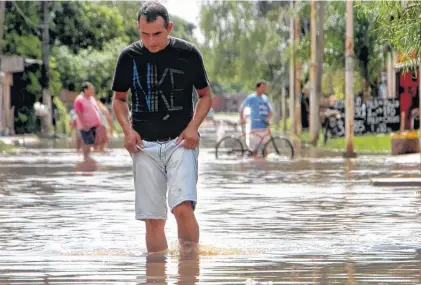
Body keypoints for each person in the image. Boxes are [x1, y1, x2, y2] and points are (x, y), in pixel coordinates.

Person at [111, 1, 213, 255]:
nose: (151, 41)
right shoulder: (128, 57)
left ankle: (189, 270)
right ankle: (156, 275)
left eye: (157, 34)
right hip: (144, 145)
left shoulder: (188, 54)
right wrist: (127, 130)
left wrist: (193, 127)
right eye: (144, 34)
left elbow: (205, 96)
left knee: (182, 208)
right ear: (138, 29)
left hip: (181, 142)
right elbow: (119, 99)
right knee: (153, 219)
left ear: (169, 28)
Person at [73, 82, 107, 162]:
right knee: (88, 144)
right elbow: (78, 112)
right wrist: (84, 124)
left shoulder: (92, 98)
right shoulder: (79, 99)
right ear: (85, 90)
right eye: (91, 90)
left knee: (98, 143)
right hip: (86, 126)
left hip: (95, 125)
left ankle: (92, 160)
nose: (93, 91)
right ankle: (85, 160)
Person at [239, 80, 273, 156]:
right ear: (257, 88)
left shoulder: (265, 98)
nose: (264, 89)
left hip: (264, 126)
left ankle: (264, 164)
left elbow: (270, 111)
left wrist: (269, 119)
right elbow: (242, 107)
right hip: (255, 125)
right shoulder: (251, 97)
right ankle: (254, 164)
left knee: (265, 148)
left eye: (265, 88)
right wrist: (242, 119)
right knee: (255, 149)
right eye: (262, 87)